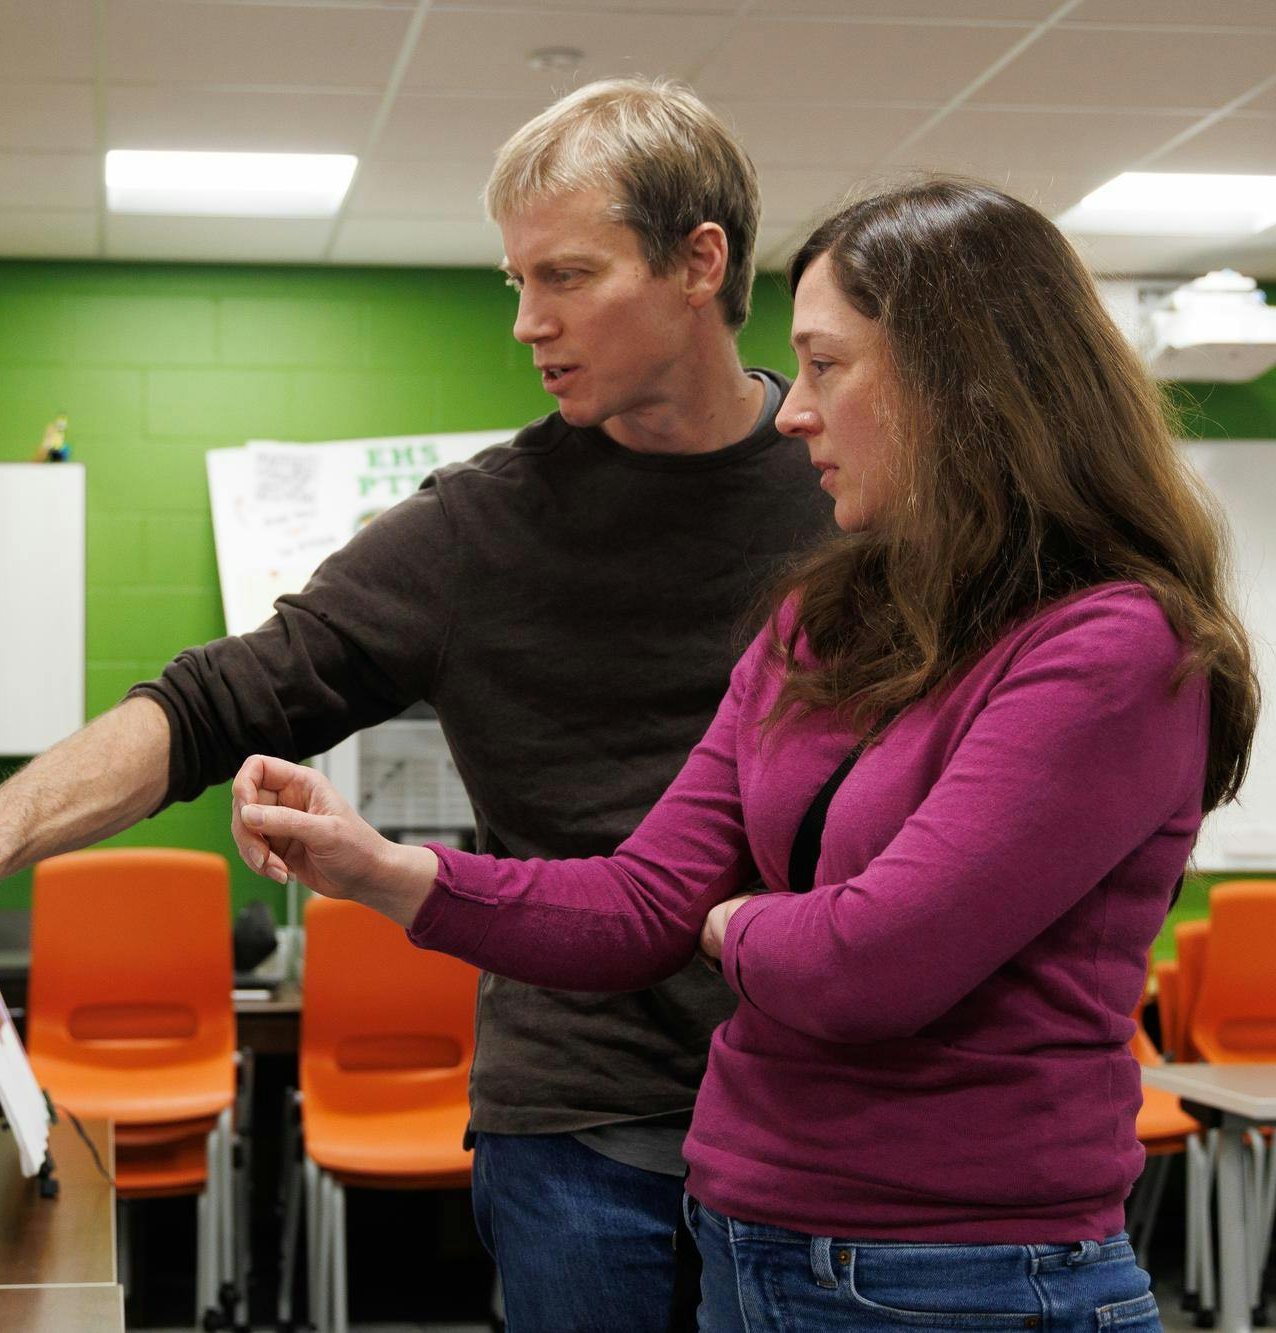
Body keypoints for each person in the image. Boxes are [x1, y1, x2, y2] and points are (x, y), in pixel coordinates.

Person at [0, 79, 833, 1329]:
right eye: (513, 283)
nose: (524, 322)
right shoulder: (478, 528)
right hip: (582, 1127)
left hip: (826, 1103)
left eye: (564, 276)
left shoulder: (851, 495)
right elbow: (214, 696)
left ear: (699, 261)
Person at [226, 175, 1259, 1332]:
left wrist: (730, 922)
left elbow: (867, 965)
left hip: (961, 1276)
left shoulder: (1109, 646)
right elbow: (641, 899)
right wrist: (371, 866)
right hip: (751, 1242)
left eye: (825, 366)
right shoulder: (821, 619)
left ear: (958, 383)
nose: (791, 412)